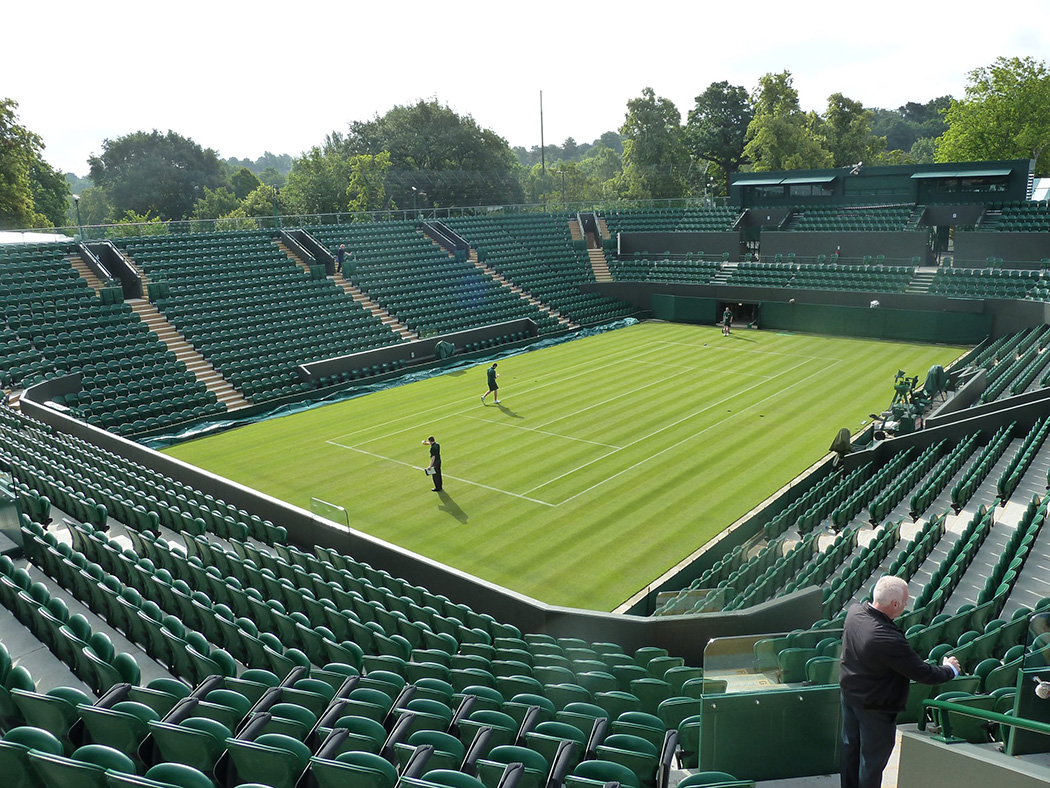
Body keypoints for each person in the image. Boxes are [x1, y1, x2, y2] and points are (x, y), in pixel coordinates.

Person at [839, 575, 961, 788]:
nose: (906, 606)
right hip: (875, 707)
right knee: (871, 763)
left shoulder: (854, 612)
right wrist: (949, 669)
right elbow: (924, 674)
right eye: (905, 602)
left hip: (850, 695)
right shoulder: (886, 638)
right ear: (894, 604)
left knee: (851, 752)